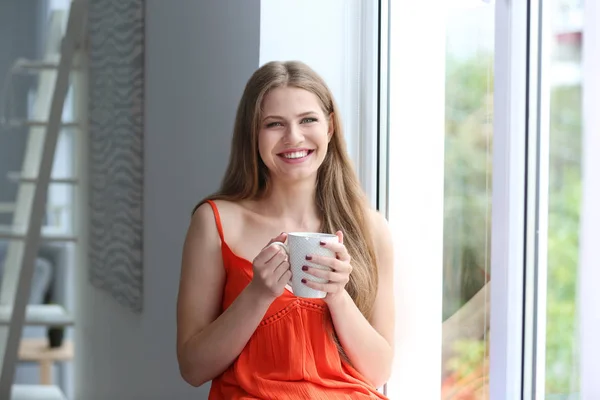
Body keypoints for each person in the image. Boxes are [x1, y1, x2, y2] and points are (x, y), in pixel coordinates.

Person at [176, 60, 395, 399]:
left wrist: (337, 295)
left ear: (330, 128)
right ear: (253, 135)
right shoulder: (214, 222)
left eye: (308, 120)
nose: (293, 137)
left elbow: (378, 372)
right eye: (274, 124)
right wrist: (257, 294)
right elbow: (193, 368)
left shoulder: (370, 228)